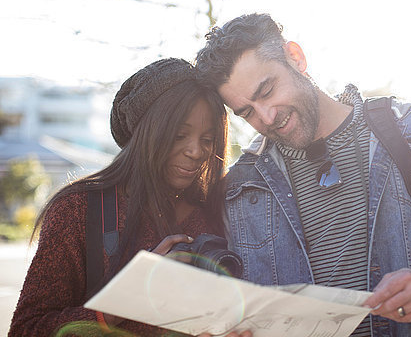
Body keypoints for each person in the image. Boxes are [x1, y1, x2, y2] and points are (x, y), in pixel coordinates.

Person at [194, 13, 411, 336]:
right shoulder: (238, 190)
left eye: (267, 90)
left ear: (296, 57)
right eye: (247, 112)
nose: (267, 116)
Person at [9, 58, 250, 337]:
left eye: (207, 140)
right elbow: (26, 329)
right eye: (179, 135)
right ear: (146, 133)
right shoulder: (80, 210)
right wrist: (130, 296)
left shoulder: (219, 211)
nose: (196, 151)